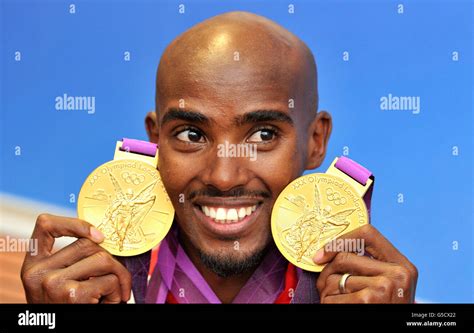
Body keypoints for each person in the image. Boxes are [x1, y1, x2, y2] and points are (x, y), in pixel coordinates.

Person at [21, 11, 417, 304]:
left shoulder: (371, 293)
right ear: (155, 141)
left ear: (316, 140)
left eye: (263, 135)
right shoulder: (85, 289)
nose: (224, 177)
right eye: (192, 135)